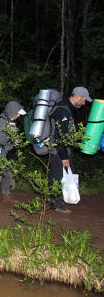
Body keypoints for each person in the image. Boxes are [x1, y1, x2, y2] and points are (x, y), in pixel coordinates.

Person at [49, 86, 93, 214]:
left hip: (62, 149)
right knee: (57, 176)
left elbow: (68, 131)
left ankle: (64, 198)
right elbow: (59, 135)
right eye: (84, 100)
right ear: (78, 96)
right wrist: (64, 157)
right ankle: (55, 204)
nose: (84, 103)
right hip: (57, 149)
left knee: (69, 173)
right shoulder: (63, 110)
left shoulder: (67, 108)